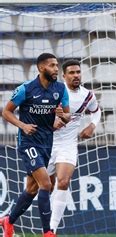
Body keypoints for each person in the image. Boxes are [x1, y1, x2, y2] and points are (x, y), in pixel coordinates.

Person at [0, 53, 70, 237]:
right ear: (41, 68)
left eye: (57, 65)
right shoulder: (26, 89)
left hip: (47, 143)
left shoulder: (61, 89)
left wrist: (62, 117)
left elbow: (68, 116)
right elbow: (6, 112)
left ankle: (8, 221)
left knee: (32, 188)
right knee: (46, 184)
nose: (56, 69)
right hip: (28, 143)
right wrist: (22, 125)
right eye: (53, 65)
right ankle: (48, 232)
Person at [47, 59, 101, 234]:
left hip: (68, 145)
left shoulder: (86, 95)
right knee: (41, 187)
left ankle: (51, 230)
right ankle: (10, 220)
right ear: (64, 76)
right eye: (72, 73)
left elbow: (96, 110)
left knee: (63, 181)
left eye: (78, 72)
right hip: (47, 143)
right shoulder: (54, 91)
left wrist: (92, 126)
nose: (76, 75)